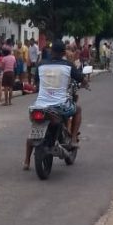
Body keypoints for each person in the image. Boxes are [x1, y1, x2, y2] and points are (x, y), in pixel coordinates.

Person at [23, 39, 83, 169]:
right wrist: (85, 82)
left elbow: (37, 83)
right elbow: (80, 78)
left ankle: (27, 161)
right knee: (78, 109)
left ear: (51, 51)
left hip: (40, 105)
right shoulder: (68, 65)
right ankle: (73, 139)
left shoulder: (40, 65)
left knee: (34, 129)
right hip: (59, 105)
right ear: (63, 52)